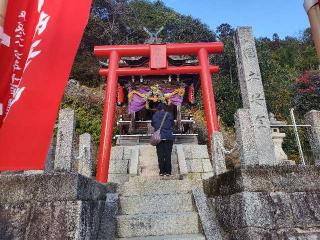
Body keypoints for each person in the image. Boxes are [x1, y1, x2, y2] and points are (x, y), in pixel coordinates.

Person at [151, 103, 174, 176]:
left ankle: (161, 171)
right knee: (168, 155)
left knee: (160, 155)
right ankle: (168, 172)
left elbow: (153, 124)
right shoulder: (169, 114)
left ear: (158, 108)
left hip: (159, 138)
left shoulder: (155, 115)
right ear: (165, 108)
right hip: (168, 137)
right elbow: (172, 124)